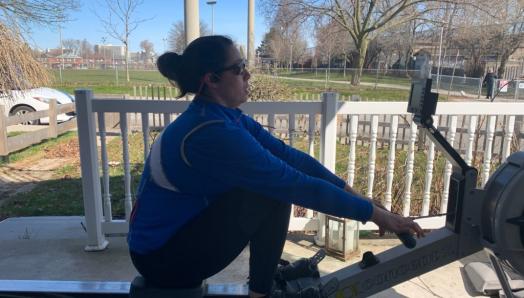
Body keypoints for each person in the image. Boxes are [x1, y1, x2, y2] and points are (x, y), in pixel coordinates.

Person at [127, 35, 424, 298]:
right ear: (212, 79)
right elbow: (294, 183)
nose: (248, 74)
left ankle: (261, 288)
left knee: (274, 185)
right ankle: (261, 292)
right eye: (238, 68)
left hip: (169, 243)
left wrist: (361, 199)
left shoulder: (221, 117)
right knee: (273, 191)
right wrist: (374, 216)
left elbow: (292, 158)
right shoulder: (209, 133)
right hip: (163, 259)